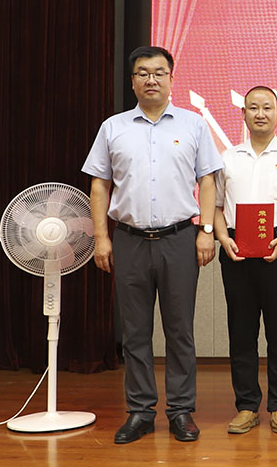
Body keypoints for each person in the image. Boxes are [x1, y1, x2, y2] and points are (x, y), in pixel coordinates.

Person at [83, 46, 223, 444]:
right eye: (143, 73)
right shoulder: (113, 128)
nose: (151, 80)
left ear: (171, 79)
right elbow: (99, 184)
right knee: (135, 331)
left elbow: (208, 181)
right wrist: (101, 238)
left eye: (159, 72)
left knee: (180, 330)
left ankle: (181, 411)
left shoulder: (194, 125)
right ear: (132, 81)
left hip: (180, 239)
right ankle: (140, 412)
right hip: (128, 240)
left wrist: (206, 231)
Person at [213, 86, 277, 435]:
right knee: (241, 330)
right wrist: (223, 238)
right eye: (253, 107)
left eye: (267, 107)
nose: (260, 114)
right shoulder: (226, 158)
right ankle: (246, 406)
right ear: (243, 114)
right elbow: (217, 206)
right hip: (236, 248)